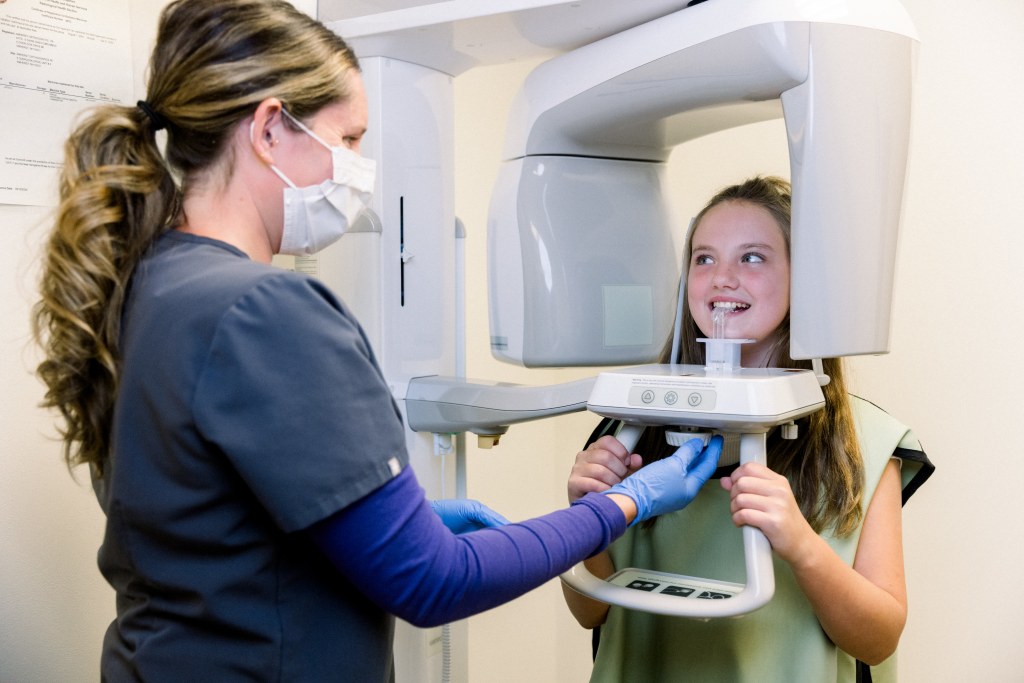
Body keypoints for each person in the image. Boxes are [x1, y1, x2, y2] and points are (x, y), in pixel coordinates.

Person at [30, 1, 726, 680]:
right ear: (271, 129)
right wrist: (623, 505)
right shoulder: (267, 310)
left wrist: (406, 518)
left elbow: (215, 519)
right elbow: (433, 583)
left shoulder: (149, 282)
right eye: (351, 138)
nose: (359, 166)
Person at [563, 176, 934, 682]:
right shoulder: (630, 431)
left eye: (753, 257)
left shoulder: (865, 445)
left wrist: (800, 544)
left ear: (803, 280)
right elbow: (590, 612)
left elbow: (879, 638)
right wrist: (584, 521)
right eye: (704, 258)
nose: (721, 278)